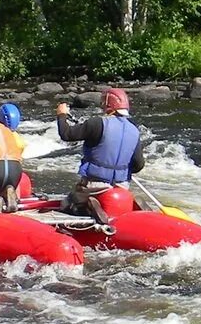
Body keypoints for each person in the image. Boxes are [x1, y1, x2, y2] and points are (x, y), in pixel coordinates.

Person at [55, 87, 151, 228]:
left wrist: (61, 115)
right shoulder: (134, 130)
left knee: (66, 204)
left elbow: (66, 134)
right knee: (121, 193)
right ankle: (130, 206)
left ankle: (87, 206)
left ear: (106, 104)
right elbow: (138, 165)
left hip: (95, 185)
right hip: (121, 186)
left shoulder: (97, 123)